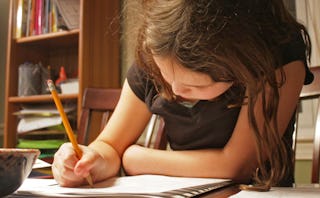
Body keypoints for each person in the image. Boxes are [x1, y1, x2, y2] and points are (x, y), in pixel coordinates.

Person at [52, 0, 314, 189]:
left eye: (196, 86)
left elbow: (236, 166)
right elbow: (110, 145)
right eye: (167, 76)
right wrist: (90, 160)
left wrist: (136, 158)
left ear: (240, 65)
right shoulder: (158, 55)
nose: (175, 91)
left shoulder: (277, 54)